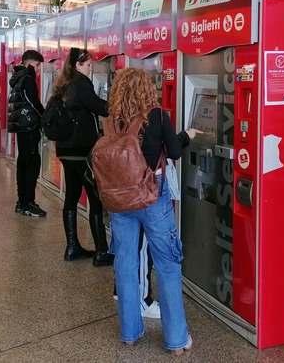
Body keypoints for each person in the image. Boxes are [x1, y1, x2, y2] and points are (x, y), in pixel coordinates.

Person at [107, 67, 201, 354]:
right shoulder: (157, 115)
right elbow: (173, 152)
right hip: (151, 197)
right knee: (167, 266)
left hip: (120, 199)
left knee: (125, 264)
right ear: (148, 89)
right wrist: (187, 135)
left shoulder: (112, 120)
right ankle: (176, 340)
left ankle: (130, 332)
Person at [50, 48, 111, 266]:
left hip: (66, 150)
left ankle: (72, 247)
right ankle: (101, 252)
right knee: (95, 199)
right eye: (87, 64)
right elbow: (103, 108)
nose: (90, 68)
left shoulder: (64, 84)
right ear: (77, 65)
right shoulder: (81, 85)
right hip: (81, 151)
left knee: (72, 196)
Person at [7, 49, 46, 217]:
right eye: (37, 65)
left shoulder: (17, 77)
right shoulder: (28, 79)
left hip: (20, 126)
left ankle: (21, 201)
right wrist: (46, 117)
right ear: (30, 62)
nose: (38, 69)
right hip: (29, 127)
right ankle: (29, 203)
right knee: (32, 163)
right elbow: (34, 102)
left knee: (23, 163)